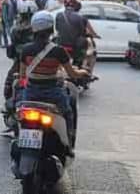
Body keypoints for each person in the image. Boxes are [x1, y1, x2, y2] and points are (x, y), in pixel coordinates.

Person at [19, 11, 89, 145]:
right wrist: (83, 73)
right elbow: (72, 74)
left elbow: (22, 74)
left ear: (33, 29)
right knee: (68, 113)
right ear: (51, 29)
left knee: (21, 115)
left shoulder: (26, 50)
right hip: (53, 93)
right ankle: (69, 142)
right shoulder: (59, 51)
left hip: (31, 93)